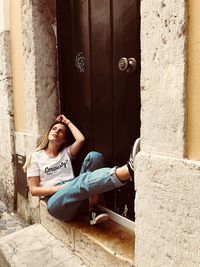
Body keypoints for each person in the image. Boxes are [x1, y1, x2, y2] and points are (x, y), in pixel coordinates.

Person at [23, 114, 140, 225]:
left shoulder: (66, 153)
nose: (56, 131)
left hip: (77, 194)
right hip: (57, 203)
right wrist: (58, 188)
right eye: (54, 129)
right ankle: (127, 171)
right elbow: (33, 190)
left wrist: (67, 122)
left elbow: (80, 140)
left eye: (61, 131)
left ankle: (93, 209)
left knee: (94, 156)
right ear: (48, 133)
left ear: (64, 139)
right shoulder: (35, 157)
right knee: (80, 182)